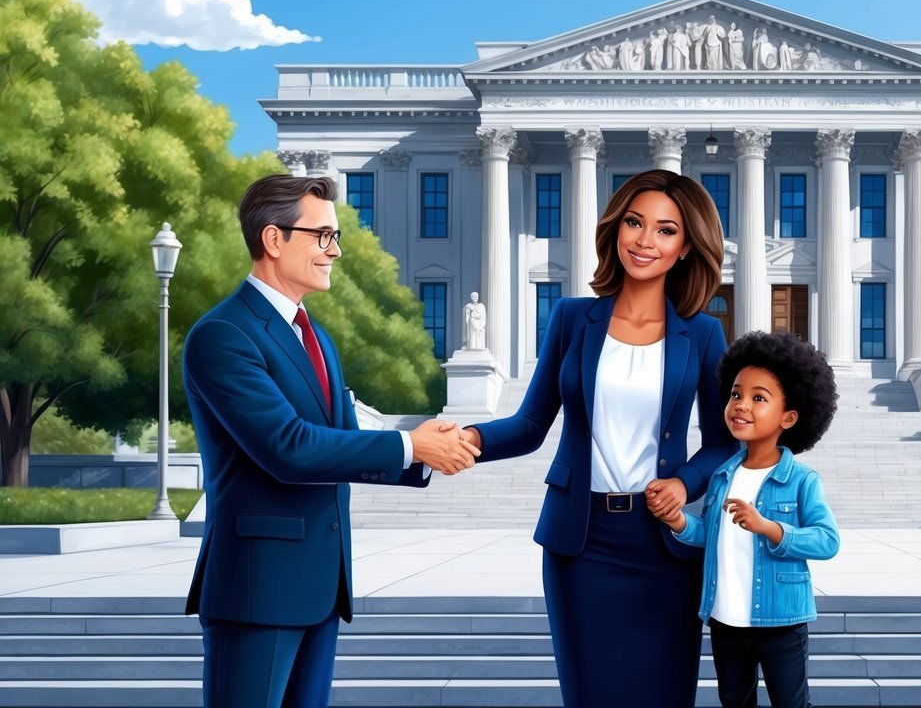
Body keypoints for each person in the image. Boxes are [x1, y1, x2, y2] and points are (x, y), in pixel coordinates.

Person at [181, 174, 480, 708]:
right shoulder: (223, 335)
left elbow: (341, 437)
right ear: (274, 240)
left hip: (320, 587)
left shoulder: (315, 336)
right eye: (322, 236)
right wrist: (412, 447)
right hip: (258, 590)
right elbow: (288, 448)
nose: (335, 251)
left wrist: (427, 451)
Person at [455, 170, 737, 707]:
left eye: (665, 230)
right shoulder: (571, 318)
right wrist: (466, 437)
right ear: (615, 229)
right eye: (635, 222)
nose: (645, 240)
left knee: (665, 694)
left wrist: (684, 482)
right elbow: (530, 425)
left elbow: (723, 441)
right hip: (580, 543)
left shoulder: (701, 332)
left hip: (666, 544)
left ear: (685, 247)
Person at [654, 330, 840, 708]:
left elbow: (827, 541)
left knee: (791, 702)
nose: (740, 405)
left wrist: (769, 528)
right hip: (725, 620)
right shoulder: (722, 474)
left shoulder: (802, 480)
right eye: (736, 394)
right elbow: (711, 534)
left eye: (759, 398)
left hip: (782, 623)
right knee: (734, 702)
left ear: (789, 416)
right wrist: (678, 523)